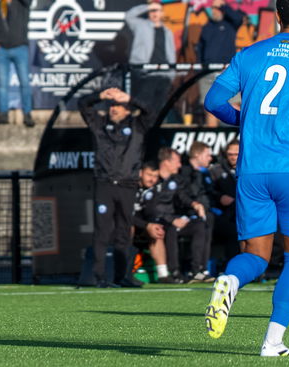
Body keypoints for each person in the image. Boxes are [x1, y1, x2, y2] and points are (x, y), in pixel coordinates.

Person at [204, 0, 289, 355]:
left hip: (252, 170)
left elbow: (214, 100)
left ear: (277, 16)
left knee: (256, 256)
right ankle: (272, 342)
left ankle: (230, 279)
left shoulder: (250, 54)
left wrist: (242, 121)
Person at [78, 86, 154, 287]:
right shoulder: (99, 124)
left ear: (128, 109)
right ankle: (98, 276)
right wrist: (100, 96)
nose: (114, 108)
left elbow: (151, 111)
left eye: (119, 106)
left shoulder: (138, 125)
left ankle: (123, 276)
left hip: (127, 185)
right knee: (102, 231)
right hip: (105, 184)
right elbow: (82, 104)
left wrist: (130, 97)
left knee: (123, 232)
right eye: (112, 105)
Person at [149, 146, 208, 282]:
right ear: (166, 162)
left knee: (199, 225)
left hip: (173, 219)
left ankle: (196, 270)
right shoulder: (152, 178)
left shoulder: (176, 179)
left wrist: (195, 204)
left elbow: (182, 196)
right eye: (177, 161)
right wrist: (170, 220)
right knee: (170, 228)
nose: (180, 165)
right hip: (157, 220)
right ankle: (174, 271)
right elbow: (150, 208)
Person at [196, 0, 244, 126]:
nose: (214, 11)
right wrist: (200, 67)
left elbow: (238, 18)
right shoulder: (207, 27)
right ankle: (212, 138)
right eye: (213, 8)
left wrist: (224, 6)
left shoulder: (230, 24)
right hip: (207, 73)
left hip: (226, 72)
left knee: (234, 104)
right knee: (210, 108)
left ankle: (235, 137)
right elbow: (200, 48)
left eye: (217, 8)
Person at [125, 1, 176, 114]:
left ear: (162, 13)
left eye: (157, 10)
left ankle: (154, 128)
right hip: (146, 72)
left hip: (163, 73)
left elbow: (171, 53)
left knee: (158, 106)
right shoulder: (141, 25)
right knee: (141, 103)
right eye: (152, 10)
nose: (154, 13)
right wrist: (147, 6)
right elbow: (128, 16)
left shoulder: (167, 31)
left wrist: (171, 74)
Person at [178, 140, 216, 282]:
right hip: (186, 215)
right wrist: (195, 205)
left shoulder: (203, 174)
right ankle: (195, 270)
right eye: (207, 155)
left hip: (203, 213)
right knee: (200, 225)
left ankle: (202, 268)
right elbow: (181, 195)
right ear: (198, 155)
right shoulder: (184, 172)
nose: (210, 158)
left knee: (210, 218)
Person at [131, 160, 175, 283]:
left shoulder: (153, 190)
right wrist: (147, 225)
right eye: (149, 175)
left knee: (157, 231)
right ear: (140, 173)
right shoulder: (129, 188)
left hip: (143, 226)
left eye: (155, 176)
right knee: (129, 228)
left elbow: (151, 214)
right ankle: (125, 272)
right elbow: (125, 215)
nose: (152, 179)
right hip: (125, 225)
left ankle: (163, 274)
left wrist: (152, 225)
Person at [210, 139, 239, 264]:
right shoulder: (217, 170)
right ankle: (232, 267)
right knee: (232, 231)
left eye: (236, 154)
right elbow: (208, 192)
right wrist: (219, 197)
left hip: (248, 212)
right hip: (225, 214)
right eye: (230, 154)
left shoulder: (251, 168)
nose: (233, 157)